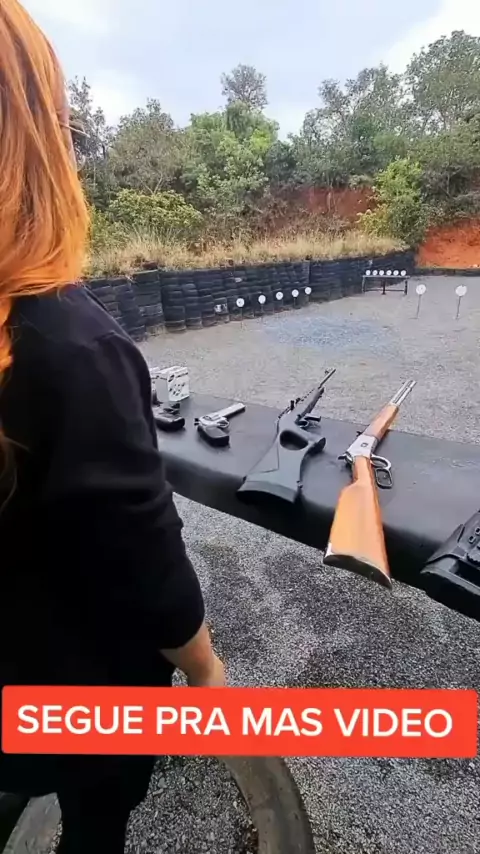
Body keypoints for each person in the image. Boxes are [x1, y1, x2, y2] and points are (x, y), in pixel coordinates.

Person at [0, 2, 225, 852]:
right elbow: (141, 553)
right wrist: (206, 670)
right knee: (98, 822)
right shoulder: (71, 344)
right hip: (75, 700)